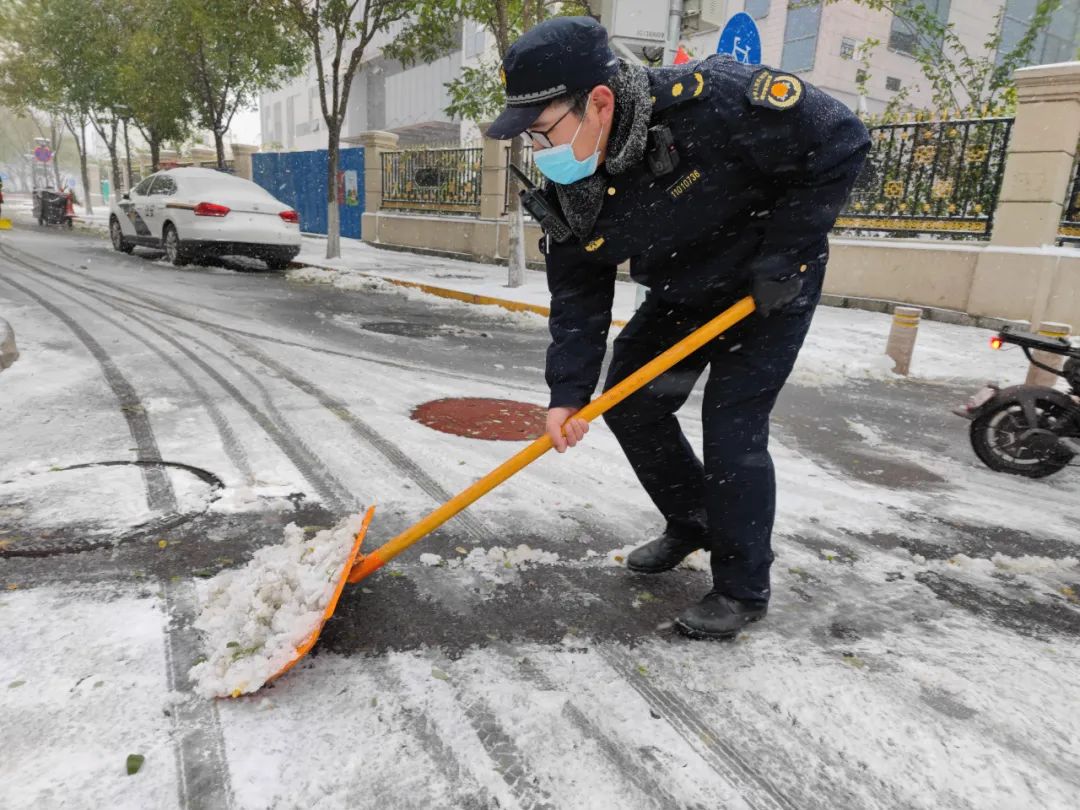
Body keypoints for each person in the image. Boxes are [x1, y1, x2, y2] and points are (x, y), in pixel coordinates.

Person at [486, 17, 869, 639]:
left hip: (765, 293)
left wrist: (785, 255)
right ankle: (693, 520)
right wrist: (566, 395)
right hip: (683, 290)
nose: (539, 149)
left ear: (600, 102)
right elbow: (578, 295)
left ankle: (742, 587)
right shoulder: (571, 187)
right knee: (633, 403)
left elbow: (840, 142)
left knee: (732, 429)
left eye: (542, 130)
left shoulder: (714, 100)